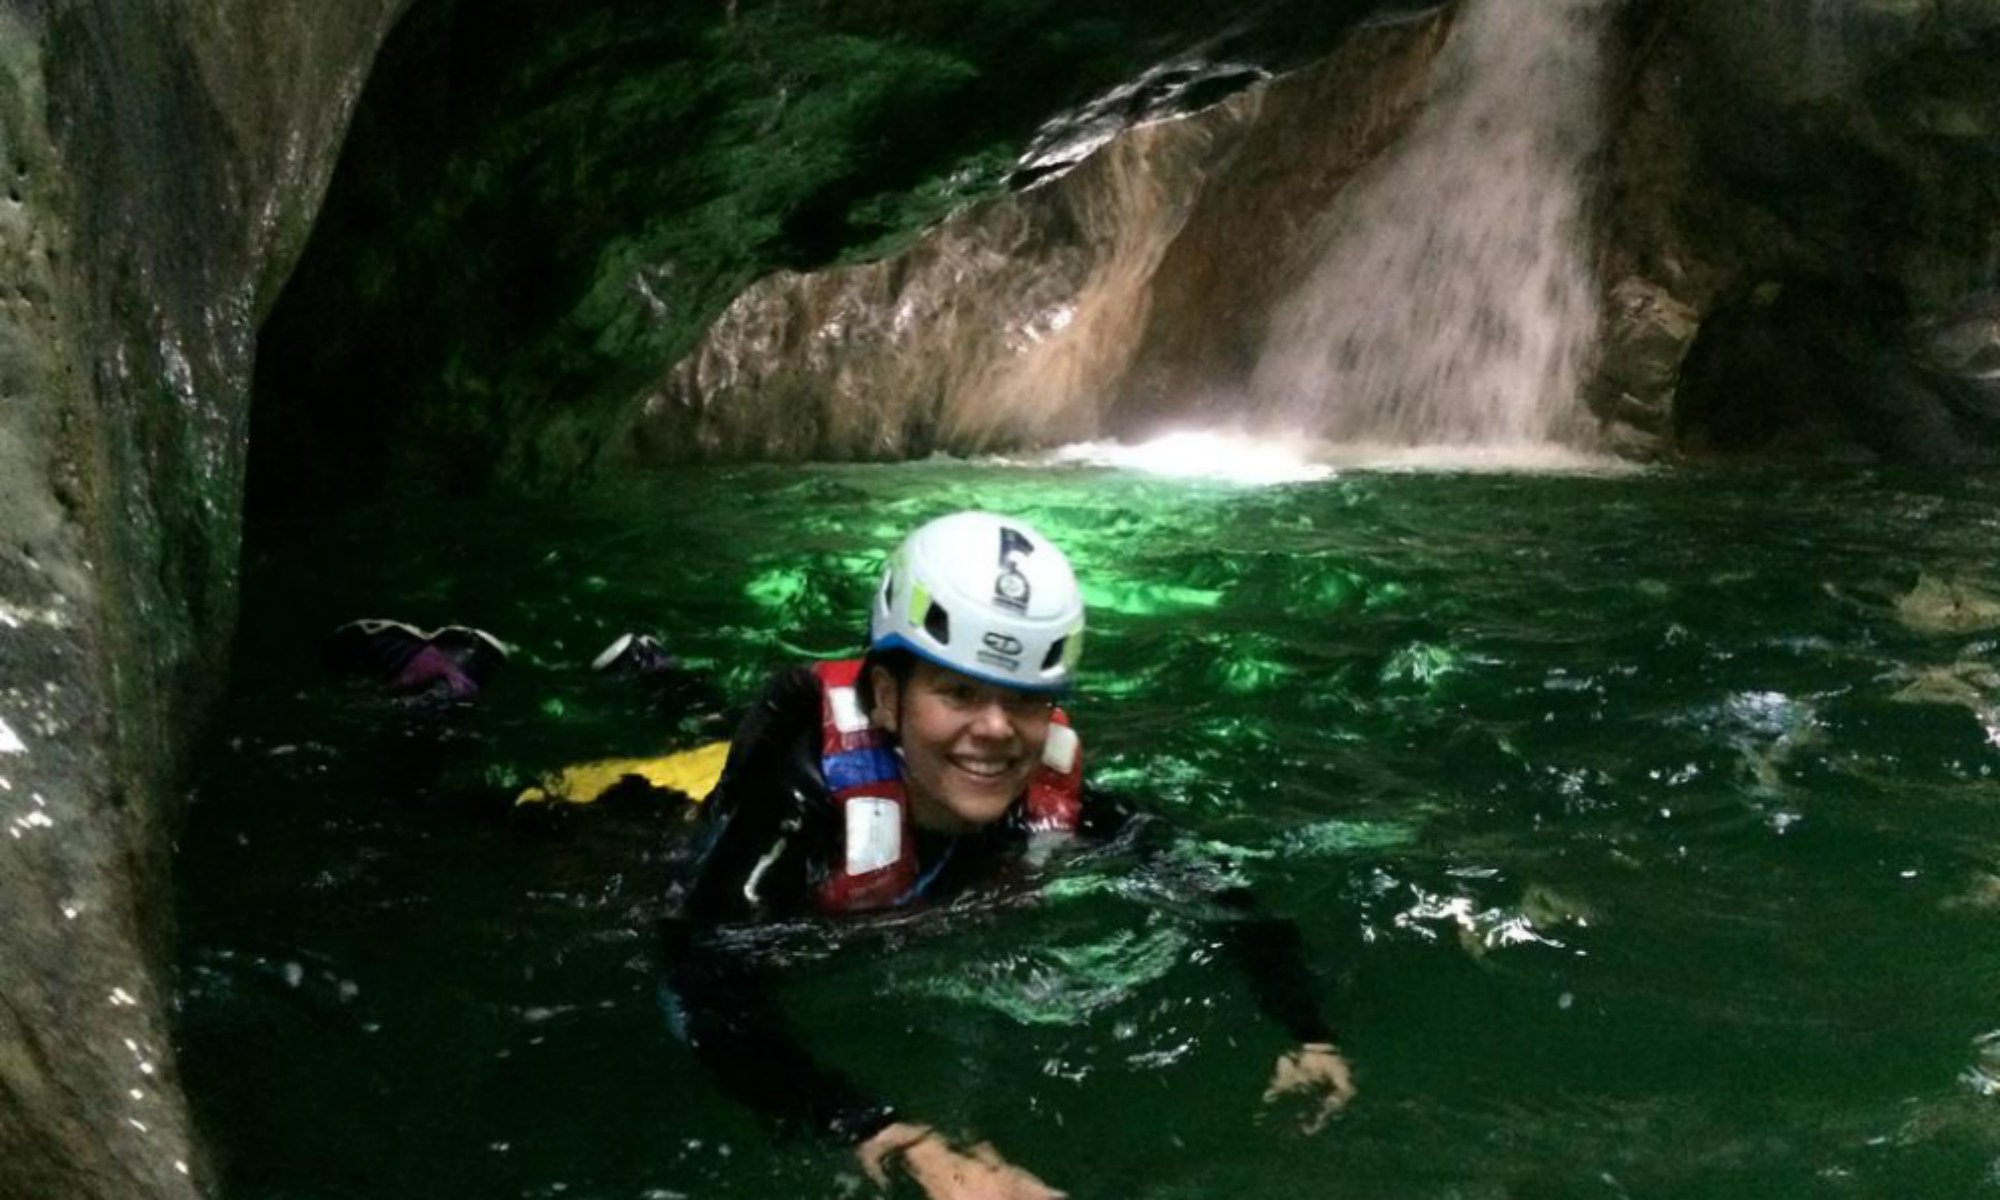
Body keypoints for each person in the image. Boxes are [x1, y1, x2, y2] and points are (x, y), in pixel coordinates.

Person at [658, 512, 1354, 1200]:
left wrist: (1308, 1031)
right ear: (887, 697)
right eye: (958, 692)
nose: (995, 730)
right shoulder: (800, 805)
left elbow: (1218, 893)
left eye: (1023, 700)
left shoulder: (1053, 796)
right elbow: (701, 978)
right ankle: (661, 681)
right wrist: (876, 1129)